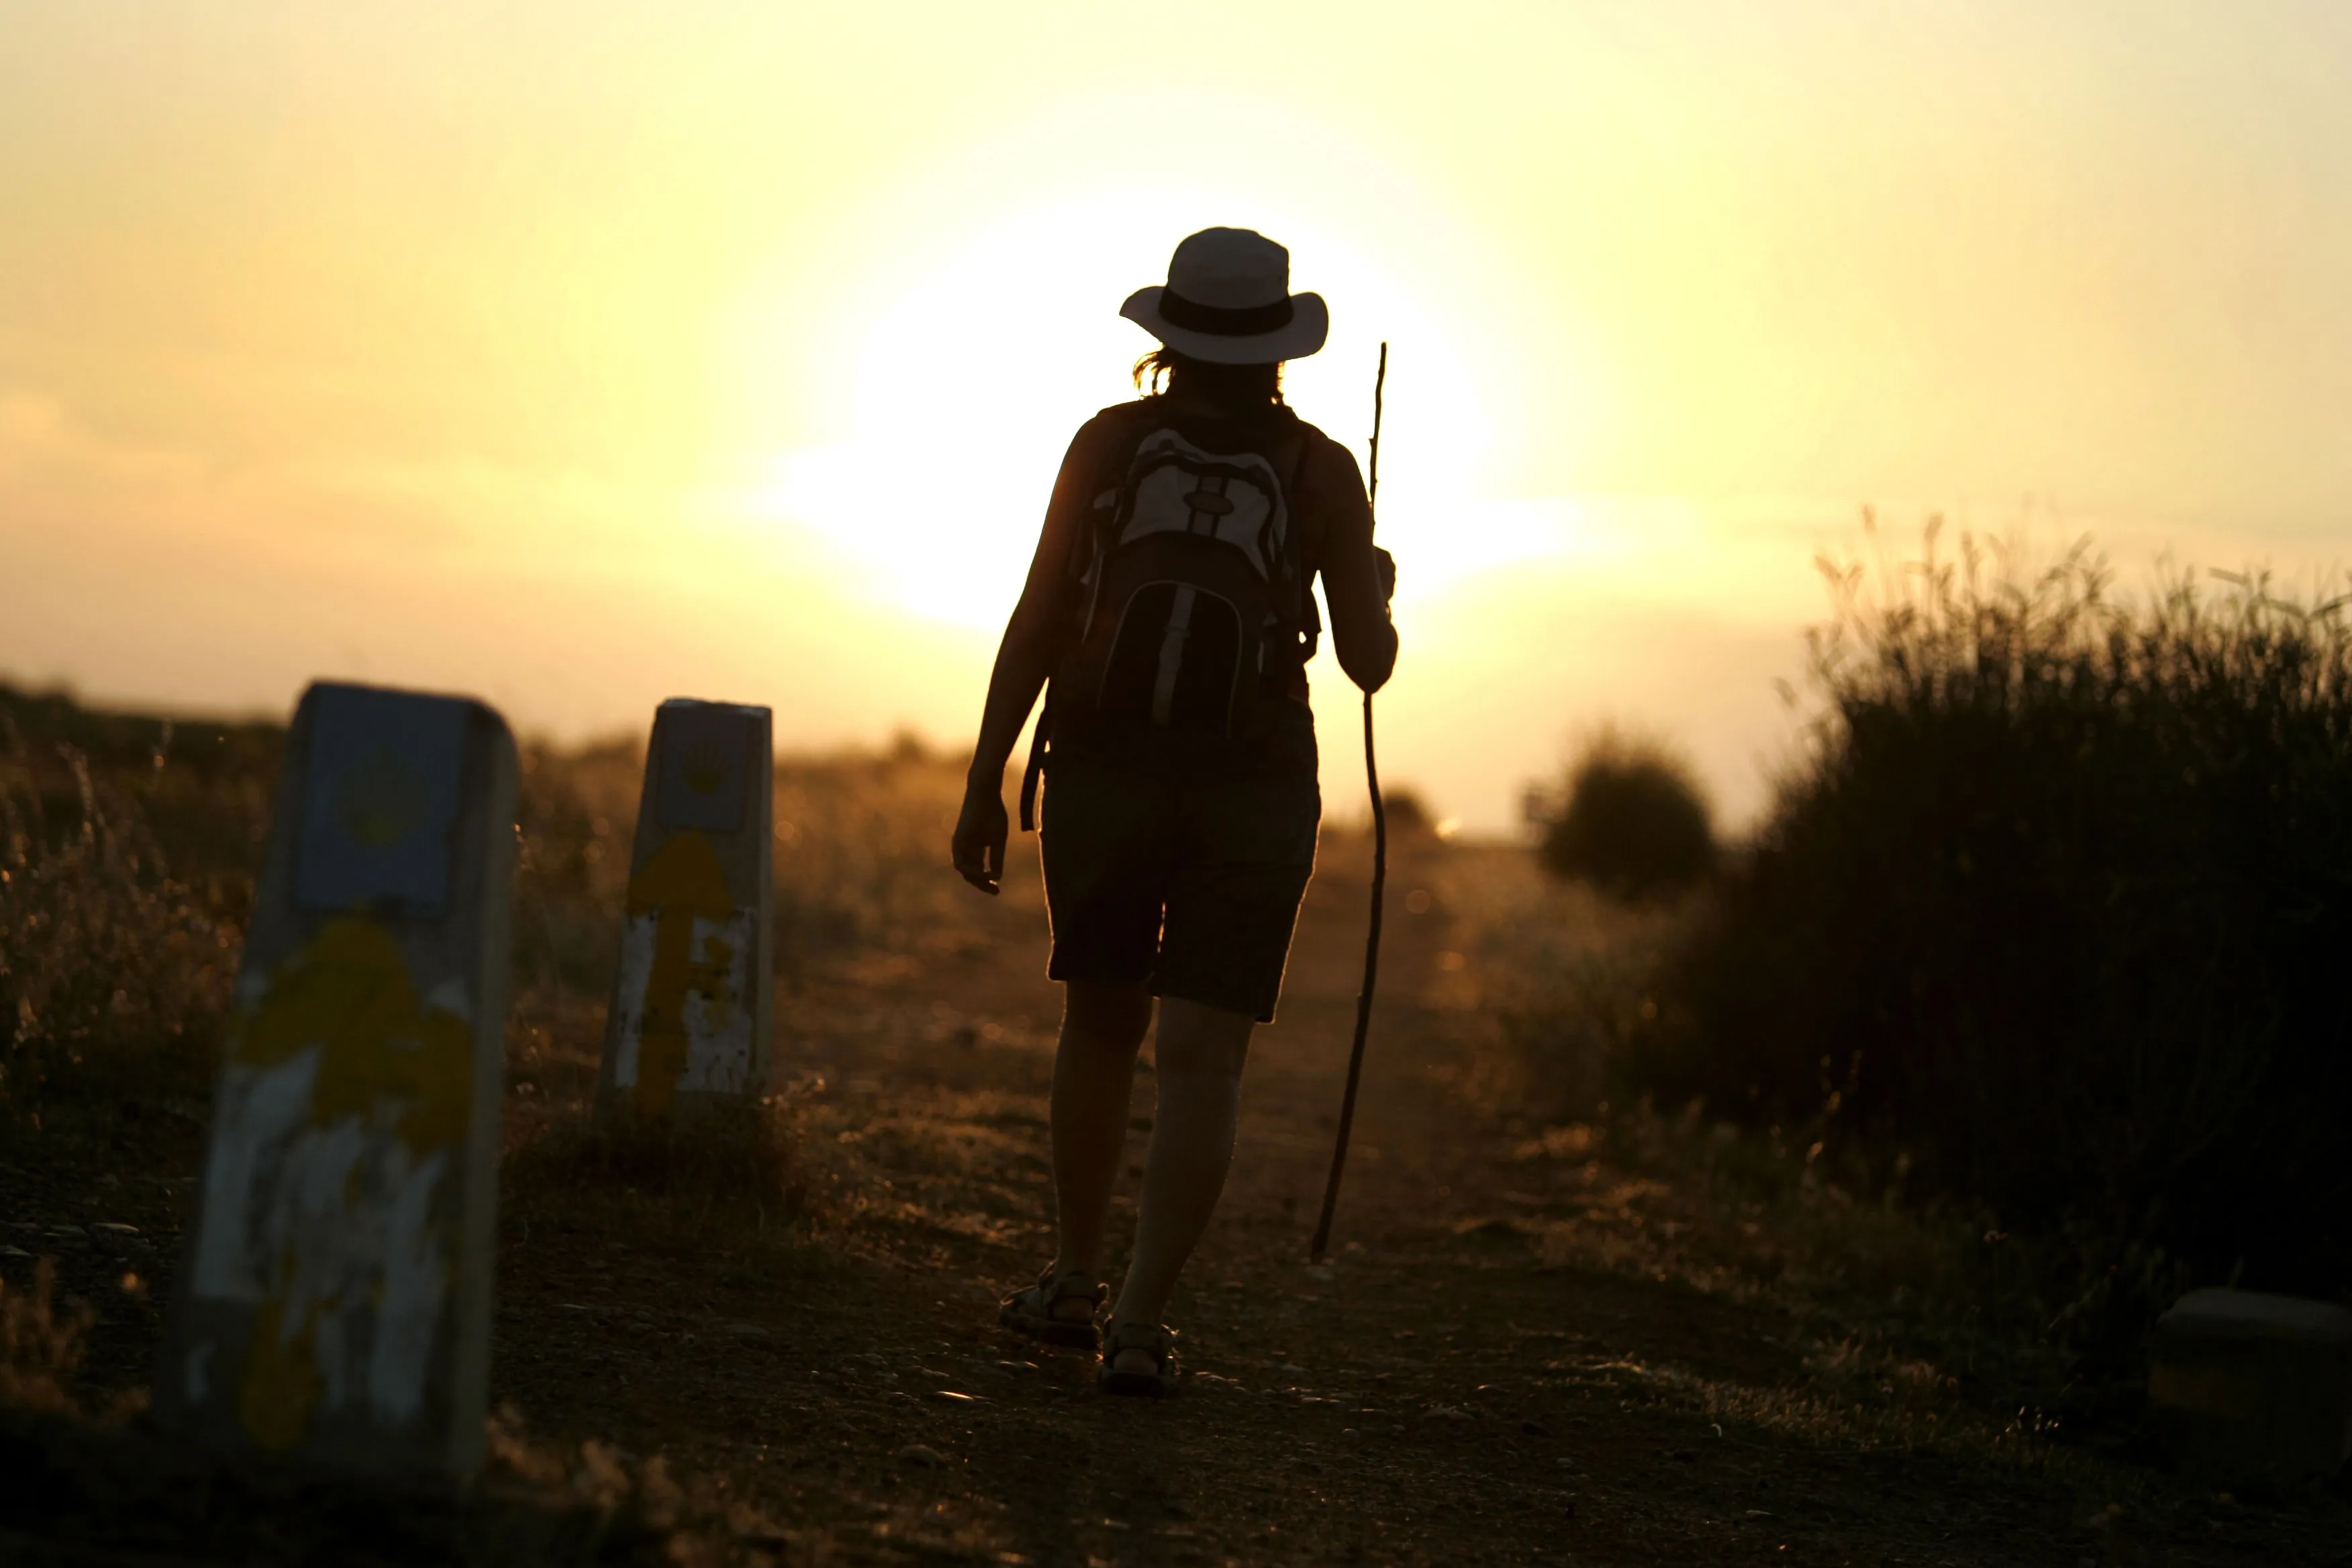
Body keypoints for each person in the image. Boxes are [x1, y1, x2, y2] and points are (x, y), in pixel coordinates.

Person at [951, 226, 1398, 1396]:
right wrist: (1374, 578)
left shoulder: (1106, 445)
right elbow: (1366, 665)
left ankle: (1072, 1280)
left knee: (1101, 1028)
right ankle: (1144, 1322)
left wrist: (986, 776)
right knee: (1206, 1063)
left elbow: (1042, 615)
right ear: (1279, 348)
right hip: (1252, 790)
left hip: (1102, 763)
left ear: (1170, 334)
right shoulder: (1320, 473)